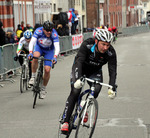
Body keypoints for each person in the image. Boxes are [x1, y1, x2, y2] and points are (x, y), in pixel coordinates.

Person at [61, 28, 117, 132]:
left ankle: (83, 106)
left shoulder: (111, 52)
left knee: (96, 90)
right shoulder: (87, 45)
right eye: (103, 44)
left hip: (95, 71)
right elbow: (79, 62)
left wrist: (112, 87)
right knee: (75, 91)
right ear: (96, 41)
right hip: (80, 68)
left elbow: (112, 71)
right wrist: (77, 79)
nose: (105, 48)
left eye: (108, 45)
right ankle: (66, 121)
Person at [28, 20, 60, 99]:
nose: (49, 32)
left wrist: (55, 57)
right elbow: (32, 42)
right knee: (35, 56)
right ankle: (33, 76)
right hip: (39, 48)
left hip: (49, 51)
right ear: (43, 29)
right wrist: (30, 52)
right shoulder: (38, 31)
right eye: (47, 30)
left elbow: (57, 46)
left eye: (50, 30)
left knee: (47, 70)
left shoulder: (54, 34)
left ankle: (43, 89)